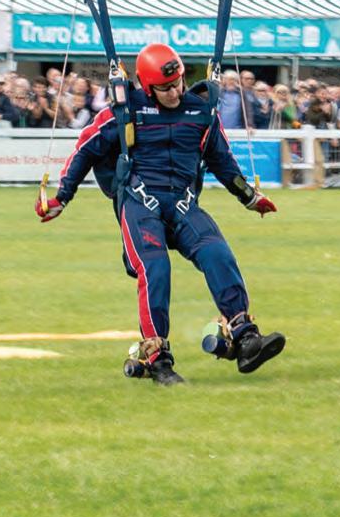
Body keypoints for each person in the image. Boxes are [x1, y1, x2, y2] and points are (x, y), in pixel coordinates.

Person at [36, 44, 284, 387]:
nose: (175, 92)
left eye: (178, 83)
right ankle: (156, 356)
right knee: (155, 268)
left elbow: (222, 161)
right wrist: (62, 196)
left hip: (183, 204)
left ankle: (244, 336)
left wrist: (249, 197)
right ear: (147, 86)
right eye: (165, 88)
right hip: (140, 204)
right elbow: (85, 150)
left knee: (217, 253)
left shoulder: (201, 112)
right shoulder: (124, 111)